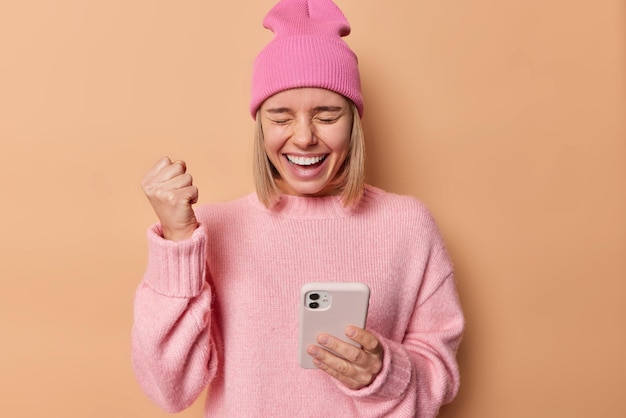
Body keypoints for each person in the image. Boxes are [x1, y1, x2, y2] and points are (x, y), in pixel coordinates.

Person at [131, 0, 464, 416]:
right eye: (281, 116)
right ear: (261, 126)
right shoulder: (211, 231)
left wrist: (384, 371)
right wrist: (178, 245)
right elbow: (169, 390)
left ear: (354, 122)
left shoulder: (408, 225)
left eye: (326, 115)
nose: (304, 138)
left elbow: (440, 374)